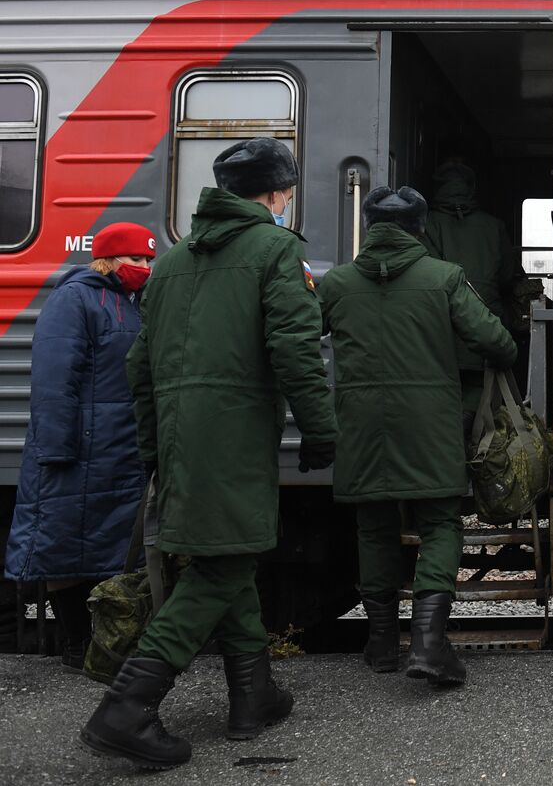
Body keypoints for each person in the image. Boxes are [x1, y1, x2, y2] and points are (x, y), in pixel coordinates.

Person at [80, 139, 337, 770]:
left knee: (230, 554)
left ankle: (254, 694)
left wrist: (153, 449)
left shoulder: (168, 264)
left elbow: (138, 367)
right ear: (276, 194)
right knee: (221, 568)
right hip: (234, 433)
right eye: (287, 193)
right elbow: (296, 349)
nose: (287, 203)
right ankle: (127, 708)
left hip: (179, 436)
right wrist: (320, 430)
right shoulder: (277, 250)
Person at [320, 186, 517, 686]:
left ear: (368, 226)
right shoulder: (444, 277)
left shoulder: (338, 284)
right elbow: (496, 341)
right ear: (419, 228)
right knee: (439, 525)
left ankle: (382, 643)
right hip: (430, 422)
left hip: (360, 423)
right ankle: (429, 643)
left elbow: (297, 336)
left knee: (374, 527)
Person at [5, 223, 156, 670]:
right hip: (78, 449)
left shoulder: (134, 303)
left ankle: (105, 648)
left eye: (148, 260)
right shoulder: (76, 298)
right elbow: (54, 377)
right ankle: (76, 646)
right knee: (65, 548)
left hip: (119, 449)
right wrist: (55, 447)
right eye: (136, 259)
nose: (144, 268)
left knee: (111, 553)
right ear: (108, 258)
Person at [423, 155, 526, 424]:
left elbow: (426, 276)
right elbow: (506, 277)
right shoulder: (494, 225)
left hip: (443, 332)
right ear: (471, 187)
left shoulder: (427, 225)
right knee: (484, 411)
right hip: (488, 327)